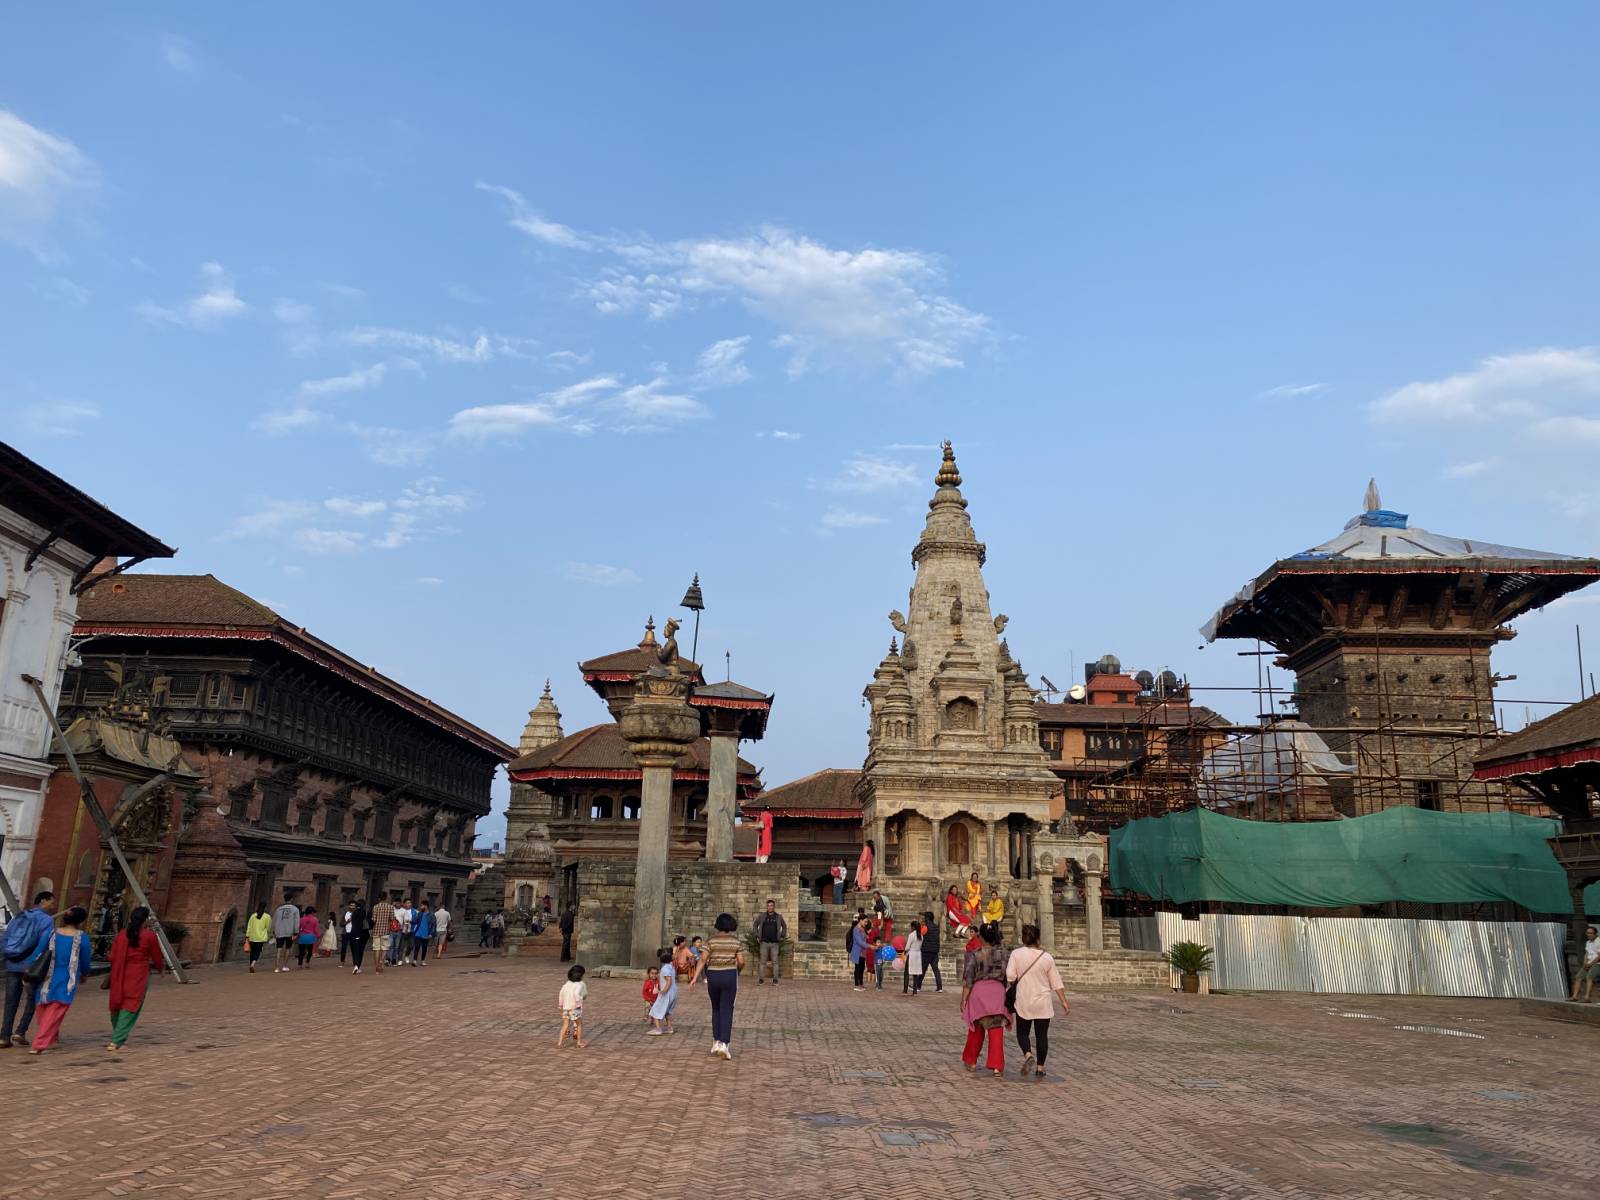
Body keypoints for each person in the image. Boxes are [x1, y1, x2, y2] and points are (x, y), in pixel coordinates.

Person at [1007, 923, 1069, 1079]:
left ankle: (1028, 1054)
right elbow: (1056, 981)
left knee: (1023, 1033)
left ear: (1024, 938)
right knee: (1042, 1035)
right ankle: (1040, 1067)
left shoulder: (1016, 954)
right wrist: (1064, 1001)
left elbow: (1010, 976)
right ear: (1038, 939)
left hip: (1024, 999)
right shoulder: (1046, 957)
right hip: (1042, 1001)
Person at [29, 905, 93, 1054]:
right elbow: (85, 960)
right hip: (67, 978)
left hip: (46, 976)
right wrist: (85, 974)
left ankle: (50, 1037)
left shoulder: (52, 933)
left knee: (43, 1008)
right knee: (56, 1010)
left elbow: (38, 951)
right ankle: (40, 1043)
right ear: (81, 921)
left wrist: (30, 969)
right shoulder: (81, 937)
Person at [2, 889, 57, 1048]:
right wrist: (33, 963)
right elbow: (44, 944)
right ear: (43, 901)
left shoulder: (19, 917)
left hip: (12, 963)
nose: (53, 906)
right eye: (51, 902)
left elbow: (6, 938)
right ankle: (20, 1031)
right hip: (31, 967)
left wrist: (7, 956)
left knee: (10, 1002)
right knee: (32, 999)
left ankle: (4, 1036)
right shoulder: (46, 920)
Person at [106, 905, 163, 1051]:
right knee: (131, 1004)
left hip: (120, 971)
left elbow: (111, 956)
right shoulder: (149, 936)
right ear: (145, 920)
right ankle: (117, 1039)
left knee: (118, 1002)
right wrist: (160, 968)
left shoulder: (122, 934)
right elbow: (157, 956)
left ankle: (117, 1035)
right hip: (138, 973)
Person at [960, 922, 1012, 1077]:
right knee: (996, 1031)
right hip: (997, 993)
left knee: (976, 1029)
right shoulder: (1004, 954)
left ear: (981, 937)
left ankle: (971, 1061)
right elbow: (1009, 976)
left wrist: (964, 999)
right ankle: (996, 1066)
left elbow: (968, 979)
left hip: (979, 993)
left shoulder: (976, 954)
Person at [693, 913, 746, 1061]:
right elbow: (741, 961)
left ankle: (716, 1042)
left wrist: (695, 978)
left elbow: (703, 959)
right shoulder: (736, 942)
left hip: (713, 976)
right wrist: (738, 970)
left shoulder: (710, 941)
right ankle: (724, 1044)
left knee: (715, 1008)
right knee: (727, 1009)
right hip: (729, 975)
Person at [754, 899, 786, 986]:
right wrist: (757, 936)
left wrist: (782, 936)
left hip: (775, 943)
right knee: (762, 962)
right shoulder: (762, 916)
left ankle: (775, 980)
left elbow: (784, 926)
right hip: (763, 942)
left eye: (771, 905)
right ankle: (761, 980)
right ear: (767, 907)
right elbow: (755, 924)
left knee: (775, 962)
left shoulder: (778, 917)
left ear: (774, 907)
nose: (770, 907)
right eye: (768, 906)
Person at [557, 964, 589, 1049]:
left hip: (566, 1007)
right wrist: (578, 1003)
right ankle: (578, 1042)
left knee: (565, 1025)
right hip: (574, 1008)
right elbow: (576, 994)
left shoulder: (567, 983)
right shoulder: (579, 984)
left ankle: (560, 1042)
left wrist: (560, 1004)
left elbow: (561, 993)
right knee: (579, 1024)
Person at [647, 948, 677, 1035]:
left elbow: (669, 981)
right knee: (667, 1011)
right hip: (673, 993)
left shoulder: (664, 969)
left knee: (655, 1009)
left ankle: (658, 1029)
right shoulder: (671, 967)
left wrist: (663, 991)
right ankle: (669, 1027)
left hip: (667, 993)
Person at [272, 892, 301, 974]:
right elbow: (296, 921)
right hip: (289, 931)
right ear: (291, 899)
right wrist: (296, 932)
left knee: (278, 949)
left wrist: (273, 930)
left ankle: (276, 967)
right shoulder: (295, 909)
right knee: (288, 948)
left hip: (279, 931)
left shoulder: (278, 909)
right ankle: (284, 965)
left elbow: (274, 920)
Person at [1574, 924, 1600, 1003]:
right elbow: (1586, 953)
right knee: (1578, 976)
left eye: (1591, 933)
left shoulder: (1599, 941)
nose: (1589, 934)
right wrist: (1585, 962)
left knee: (1589, 976)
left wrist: (1590, 964)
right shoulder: (1588, 942)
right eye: (1588, 933)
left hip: (1597, 963)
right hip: (1588, 963)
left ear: (1595, 934)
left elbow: (1599, 956)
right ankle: (1574, 996)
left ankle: (1587, 997)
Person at [370, 893, 396, 975]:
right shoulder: (390, 907)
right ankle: (381, 961)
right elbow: (392, 919)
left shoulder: (375, 907)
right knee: (384, 948)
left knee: (376, 948)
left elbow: (373, 920)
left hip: (376, 930)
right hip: (386, 930)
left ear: (379, 898)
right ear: (386, 898)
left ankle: (377, 965)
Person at [244, 902, 272, 974]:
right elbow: (268, 928)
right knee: (258, 952)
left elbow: (249, 926)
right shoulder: (267, 917)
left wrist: (247, 936)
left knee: (252, 952)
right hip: (261, 937)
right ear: (265, 907)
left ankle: (251, 964)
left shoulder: (253, 916)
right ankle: (253, 964)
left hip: (252, 937)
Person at [921, 910, 944, 993]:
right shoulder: (936, 927)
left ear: (927, 918)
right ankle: (939, 987)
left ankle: (918, 986)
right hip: (935, 951)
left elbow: (919, 936)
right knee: (936, 970)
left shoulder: (925, 927)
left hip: (926, 951)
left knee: (923, 969)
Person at [345, 900, 371, 974]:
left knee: (355, 950)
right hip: (364, 934)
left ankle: (355, 965)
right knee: (361, 951)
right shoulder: (366, 912)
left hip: (354, 933)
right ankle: (358, 966)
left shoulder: (354, 912)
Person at [901, 918, 924, 996]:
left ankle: (905, 990)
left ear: (913, 927)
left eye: (911, 927)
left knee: (907, 972)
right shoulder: (921, 936)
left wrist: (904, 952)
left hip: (911, 954)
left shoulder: (911, 935)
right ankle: (915, 991)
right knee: (915, 973)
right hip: (918, 954)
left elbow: (907, 947)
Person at [850, 915, 871, 991]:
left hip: (863, 952)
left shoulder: (863, 929)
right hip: (857, 951)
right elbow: (859, 941)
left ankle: (861, 983)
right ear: (860, 921)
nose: (866, 923)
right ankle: (856, 985)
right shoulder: (856, 929)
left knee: (862, 967)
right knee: (857, 968)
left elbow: (865, 938)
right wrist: (869, 946)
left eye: (866, 922)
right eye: (865, 921)